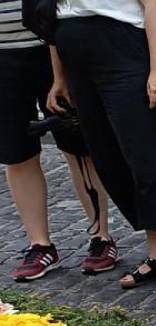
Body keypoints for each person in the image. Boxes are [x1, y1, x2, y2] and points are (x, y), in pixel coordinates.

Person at [48, 0, 156, 300]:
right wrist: (60, 76)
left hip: (124, 44)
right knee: (111, 158)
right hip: (74, 47)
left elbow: (155, 2)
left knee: (152, 154)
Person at [2, 4, 115, 281]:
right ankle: (40, 244)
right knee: (16, 153)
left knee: (78, 146)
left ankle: (101, 236)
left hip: (51, 44)